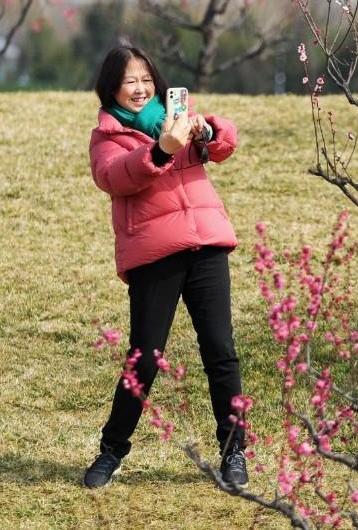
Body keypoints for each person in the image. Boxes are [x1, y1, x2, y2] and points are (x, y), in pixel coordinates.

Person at [82, 46, 247, 490]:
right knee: (146, 357)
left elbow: (227, 140)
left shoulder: (177, 117)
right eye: (129, 81)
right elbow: (115, 176)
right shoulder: (107, 138)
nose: (140, 89)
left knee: (220, 351)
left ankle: (234, 450)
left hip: (207, 245)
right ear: (112, 88)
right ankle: (111, 450)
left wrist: (207, 131)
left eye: (146, 79)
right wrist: (161, 149)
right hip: (154, 256)